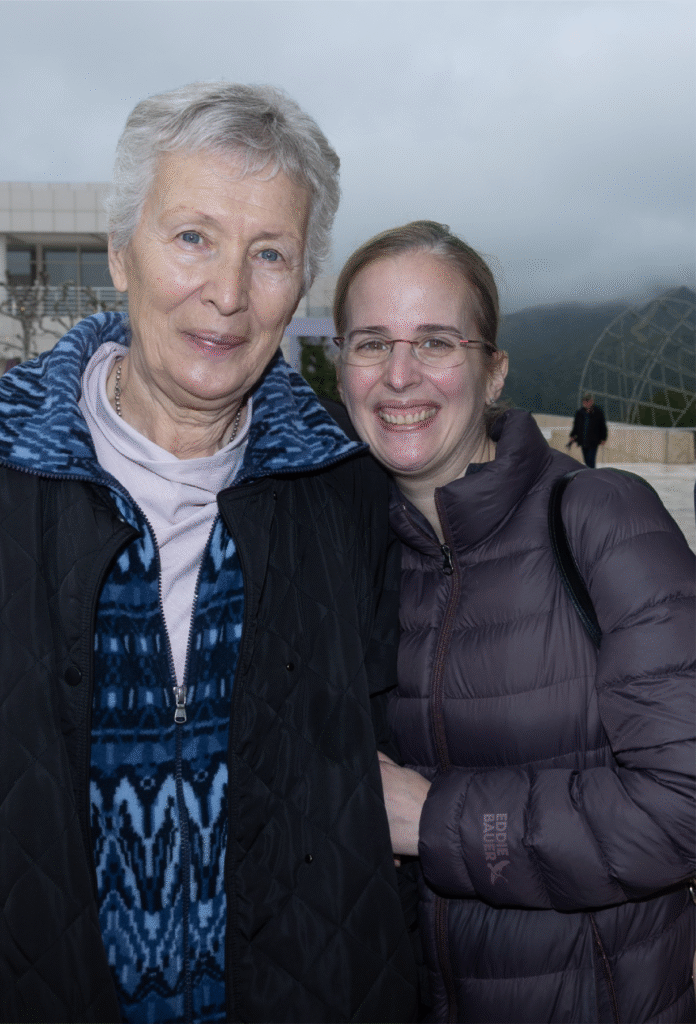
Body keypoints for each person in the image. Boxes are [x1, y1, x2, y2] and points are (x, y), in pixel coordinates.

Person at [0, 84, 419, 1024]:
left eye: (270, 254)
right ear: (122, 253)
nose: (229, 293)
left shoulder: (340, 484)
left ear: (301, 282)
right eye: (193, 237)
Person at [333, 219, 696, 1023]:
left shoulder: (600, 520)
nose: (399, 376)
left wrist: (433, 820)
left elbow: (683, 805)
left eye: (435, 342)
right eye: (369, 343)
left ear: (491, 372)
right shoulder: (345, 556)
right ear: (340, 367)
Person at [570, 391, 608, 467]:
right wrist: (573, 435)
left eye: (588, 401)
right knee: (586, 461)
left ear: (592, 401)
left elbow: (602, 426)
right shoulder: (579, 413)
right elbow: (576, 426)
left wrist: (603, 438)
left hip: (593, 441)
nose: (586, 403)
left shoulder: (598, 412)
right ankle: (590, 474)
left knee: (591, 460)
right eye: (585, 401)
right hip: (583, 440)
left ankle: (592, 475)